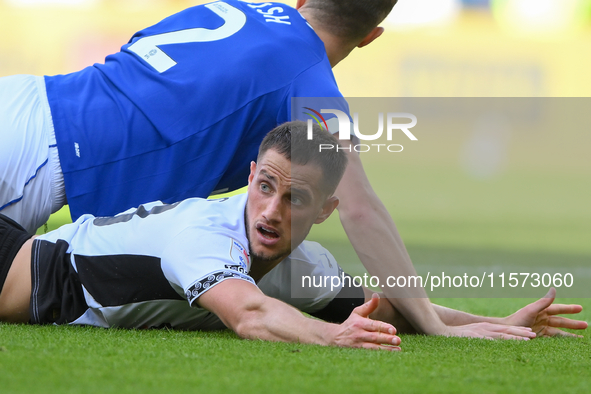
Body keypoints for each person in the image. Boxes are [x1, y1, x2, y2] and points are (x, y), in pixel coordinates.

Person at [0, 0, 580, 338]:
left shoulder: (243, 10)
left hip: (26, 99)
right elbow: (358, 206)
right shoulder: (310, 83)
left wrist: (464, 321)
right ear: (372, 37)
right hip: (41, 160)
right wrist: (431, 323)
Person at [0, 123, 586, 348]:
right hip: (14, 264)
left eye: (296, 198)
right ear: (250, 179)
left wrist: (493, 324)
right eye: (266, 188)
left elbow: (396, 310)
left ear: (325, 210)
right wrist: (333, 340)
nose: (273, 211)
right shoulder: (205, 235)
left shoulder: (305, 264)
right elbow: (251, 315)